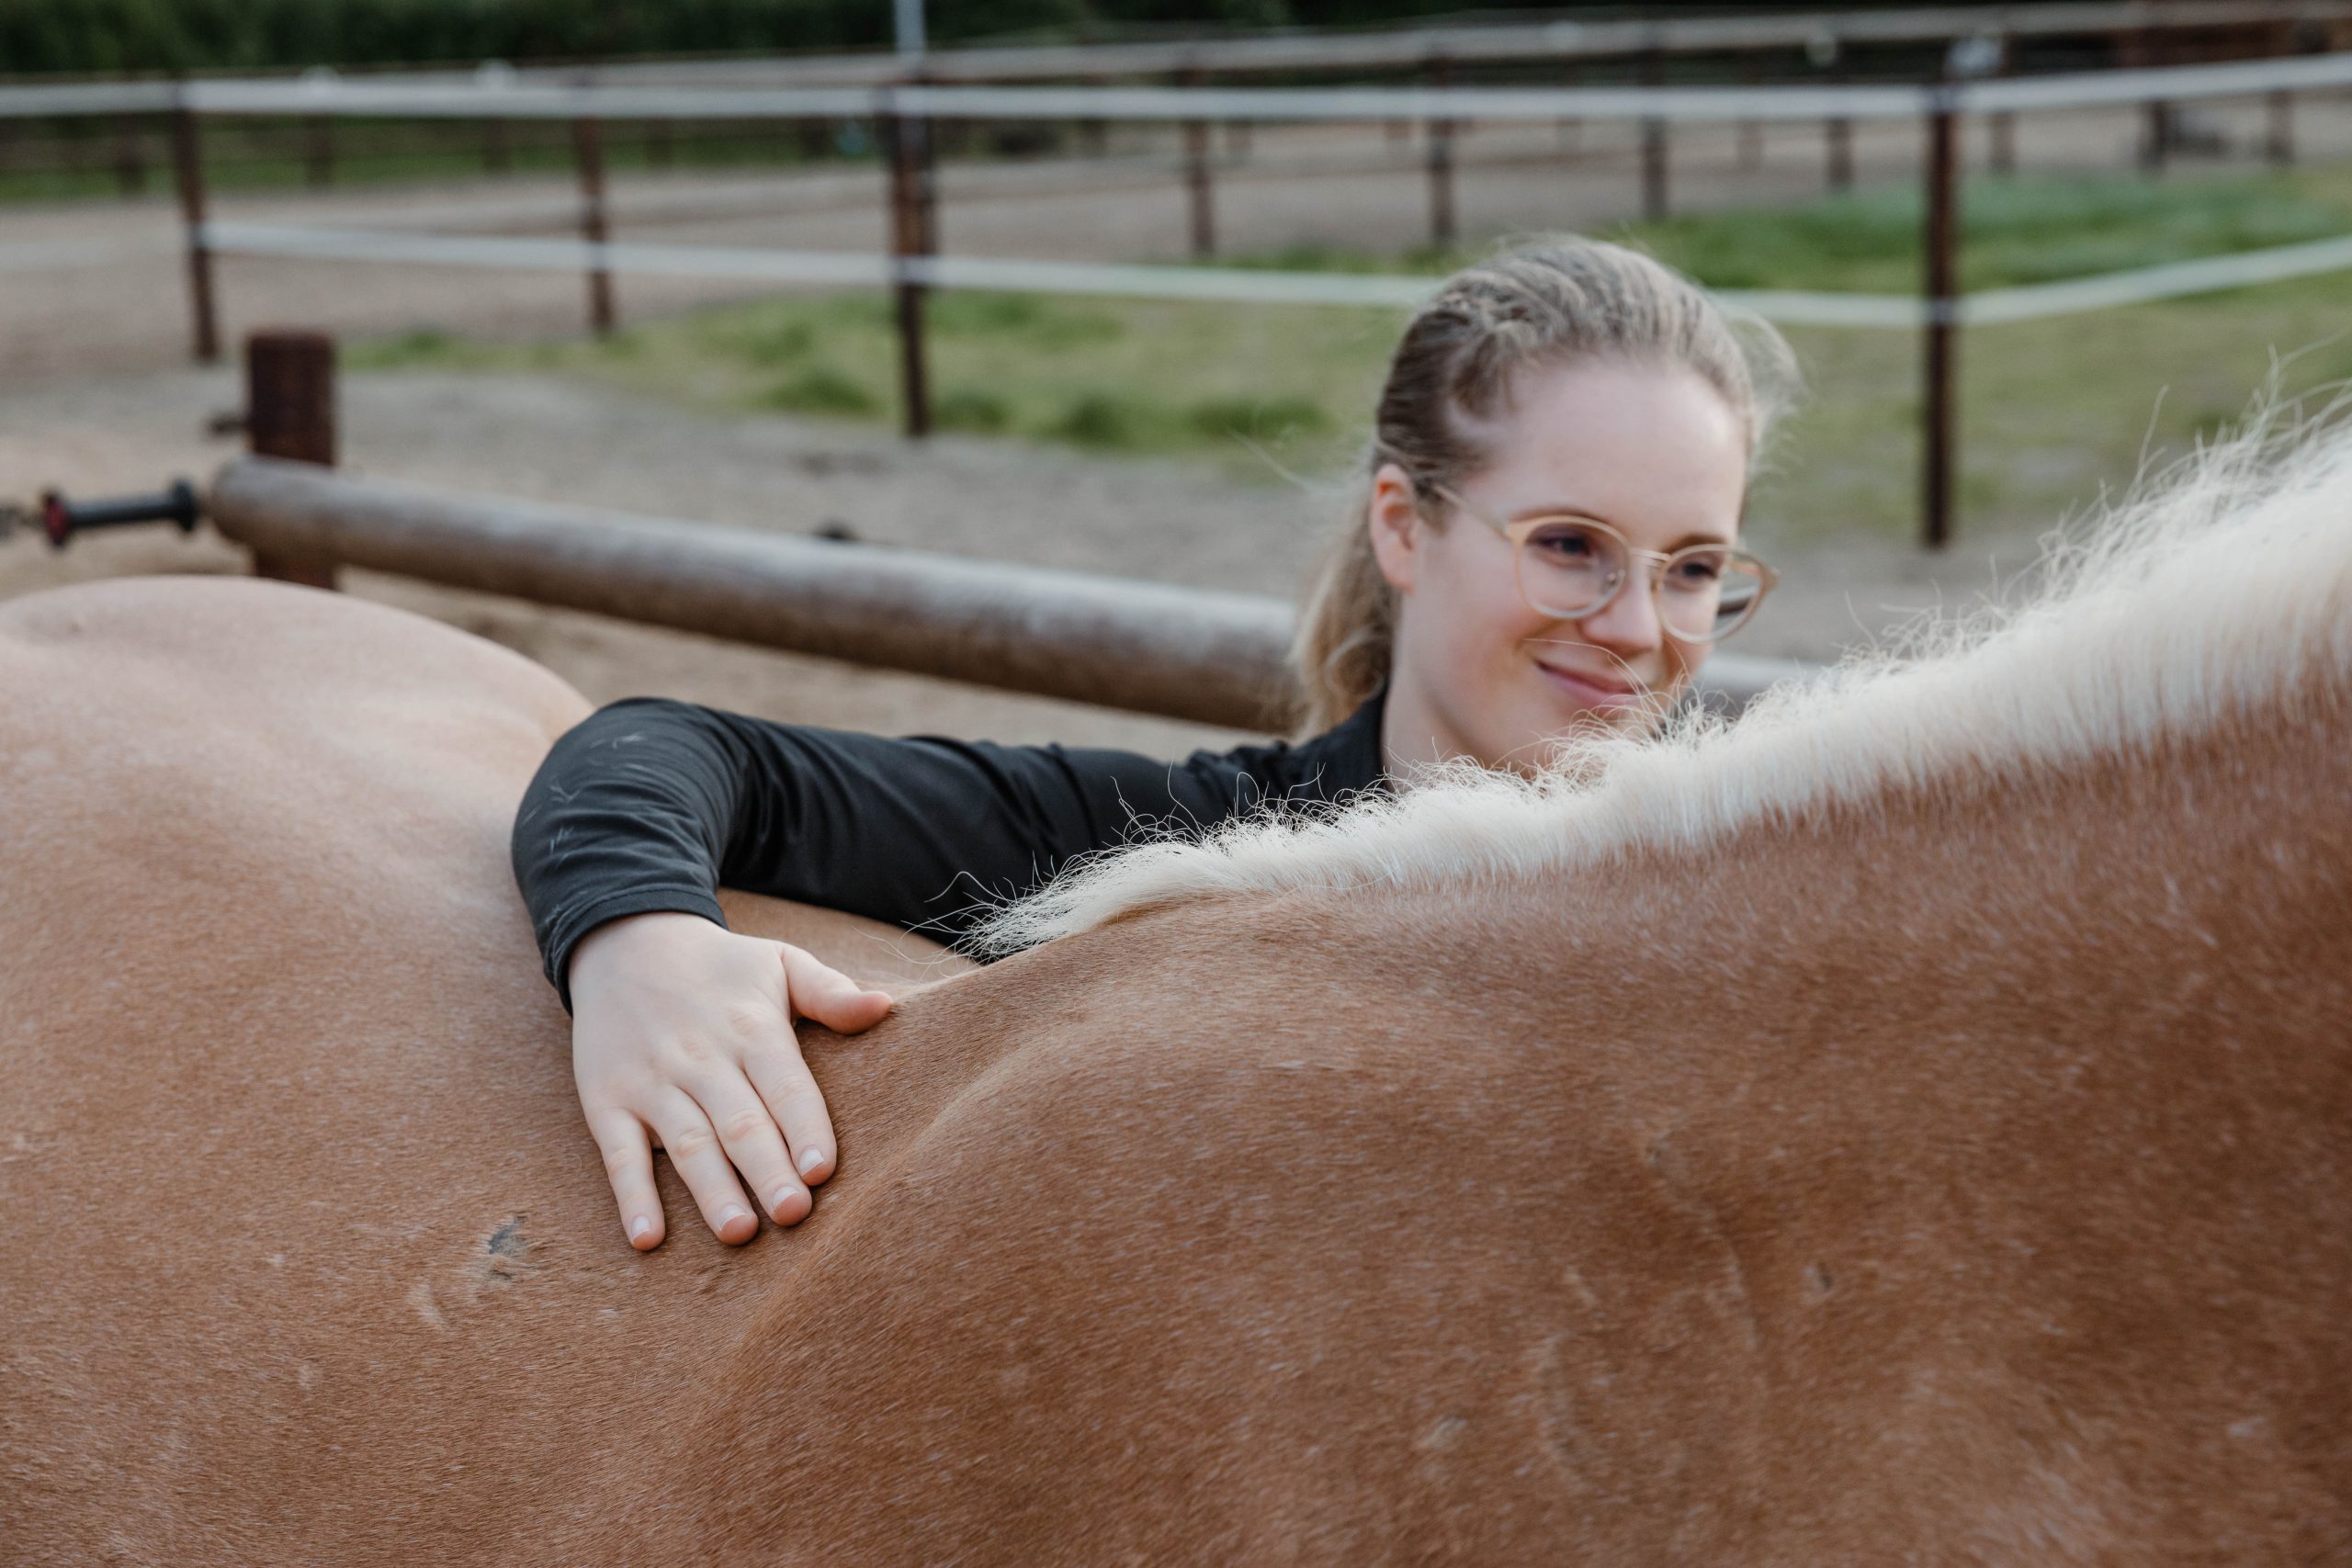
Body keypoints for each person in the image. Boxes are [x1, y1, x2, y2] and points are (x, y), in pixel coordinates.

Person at [511, 234, 1800, 1252]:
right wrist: (640, 945)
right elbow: (672, 750)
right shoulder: (1195, 852)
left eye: (1693, 570)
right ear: (1404, 527)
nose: (1636, 627)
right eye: (1570, 545)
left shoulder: (1741, 907)